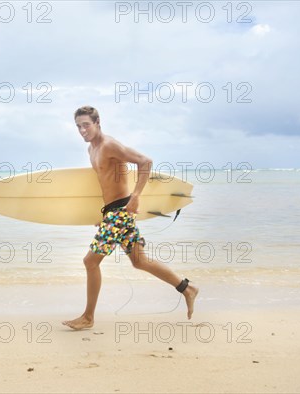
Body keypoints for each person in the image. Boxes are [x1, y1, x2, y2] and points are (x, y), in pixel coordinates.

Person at [63, 106, 199, 330]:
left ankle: (88, 318)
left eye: (86, 124)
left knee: (90, 261)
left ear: (98, 123)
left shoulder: (109, 145)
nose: (82, 130)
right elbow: (107, 183)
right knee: (139, 261)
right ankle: (187, 288)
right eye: (78, 126)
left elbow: (145, 162)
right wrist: (105, 215)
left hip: (121, 212)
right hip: (114, 213)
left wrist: (135, 197)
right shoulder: (91, 150)